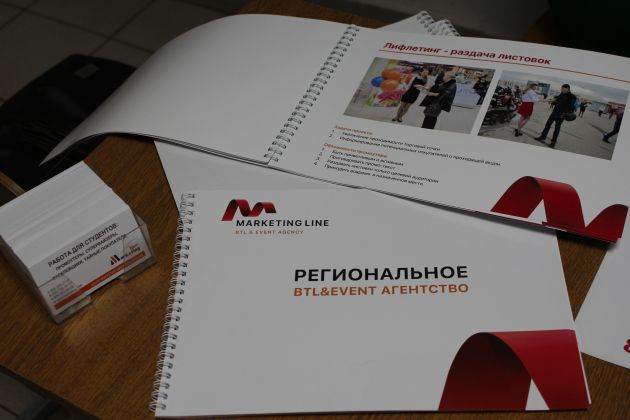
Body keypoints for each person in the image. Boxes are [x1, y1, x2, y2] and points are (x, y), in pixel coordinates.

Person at [534, 84, 578, 148]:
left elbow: (571, 107)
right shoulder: (561, 94)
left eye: (562, 89)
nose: (561, 90)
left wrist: (564, 114)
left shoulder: (572, 97)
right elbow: (557, 102)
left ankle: (553, 142)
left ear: (567, 89)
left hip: (561, 115)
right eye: (561, 88)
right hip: (554, 112)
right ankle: (543, 136)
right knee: (547, 125)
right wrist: (552, 102)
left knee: (557, 128)